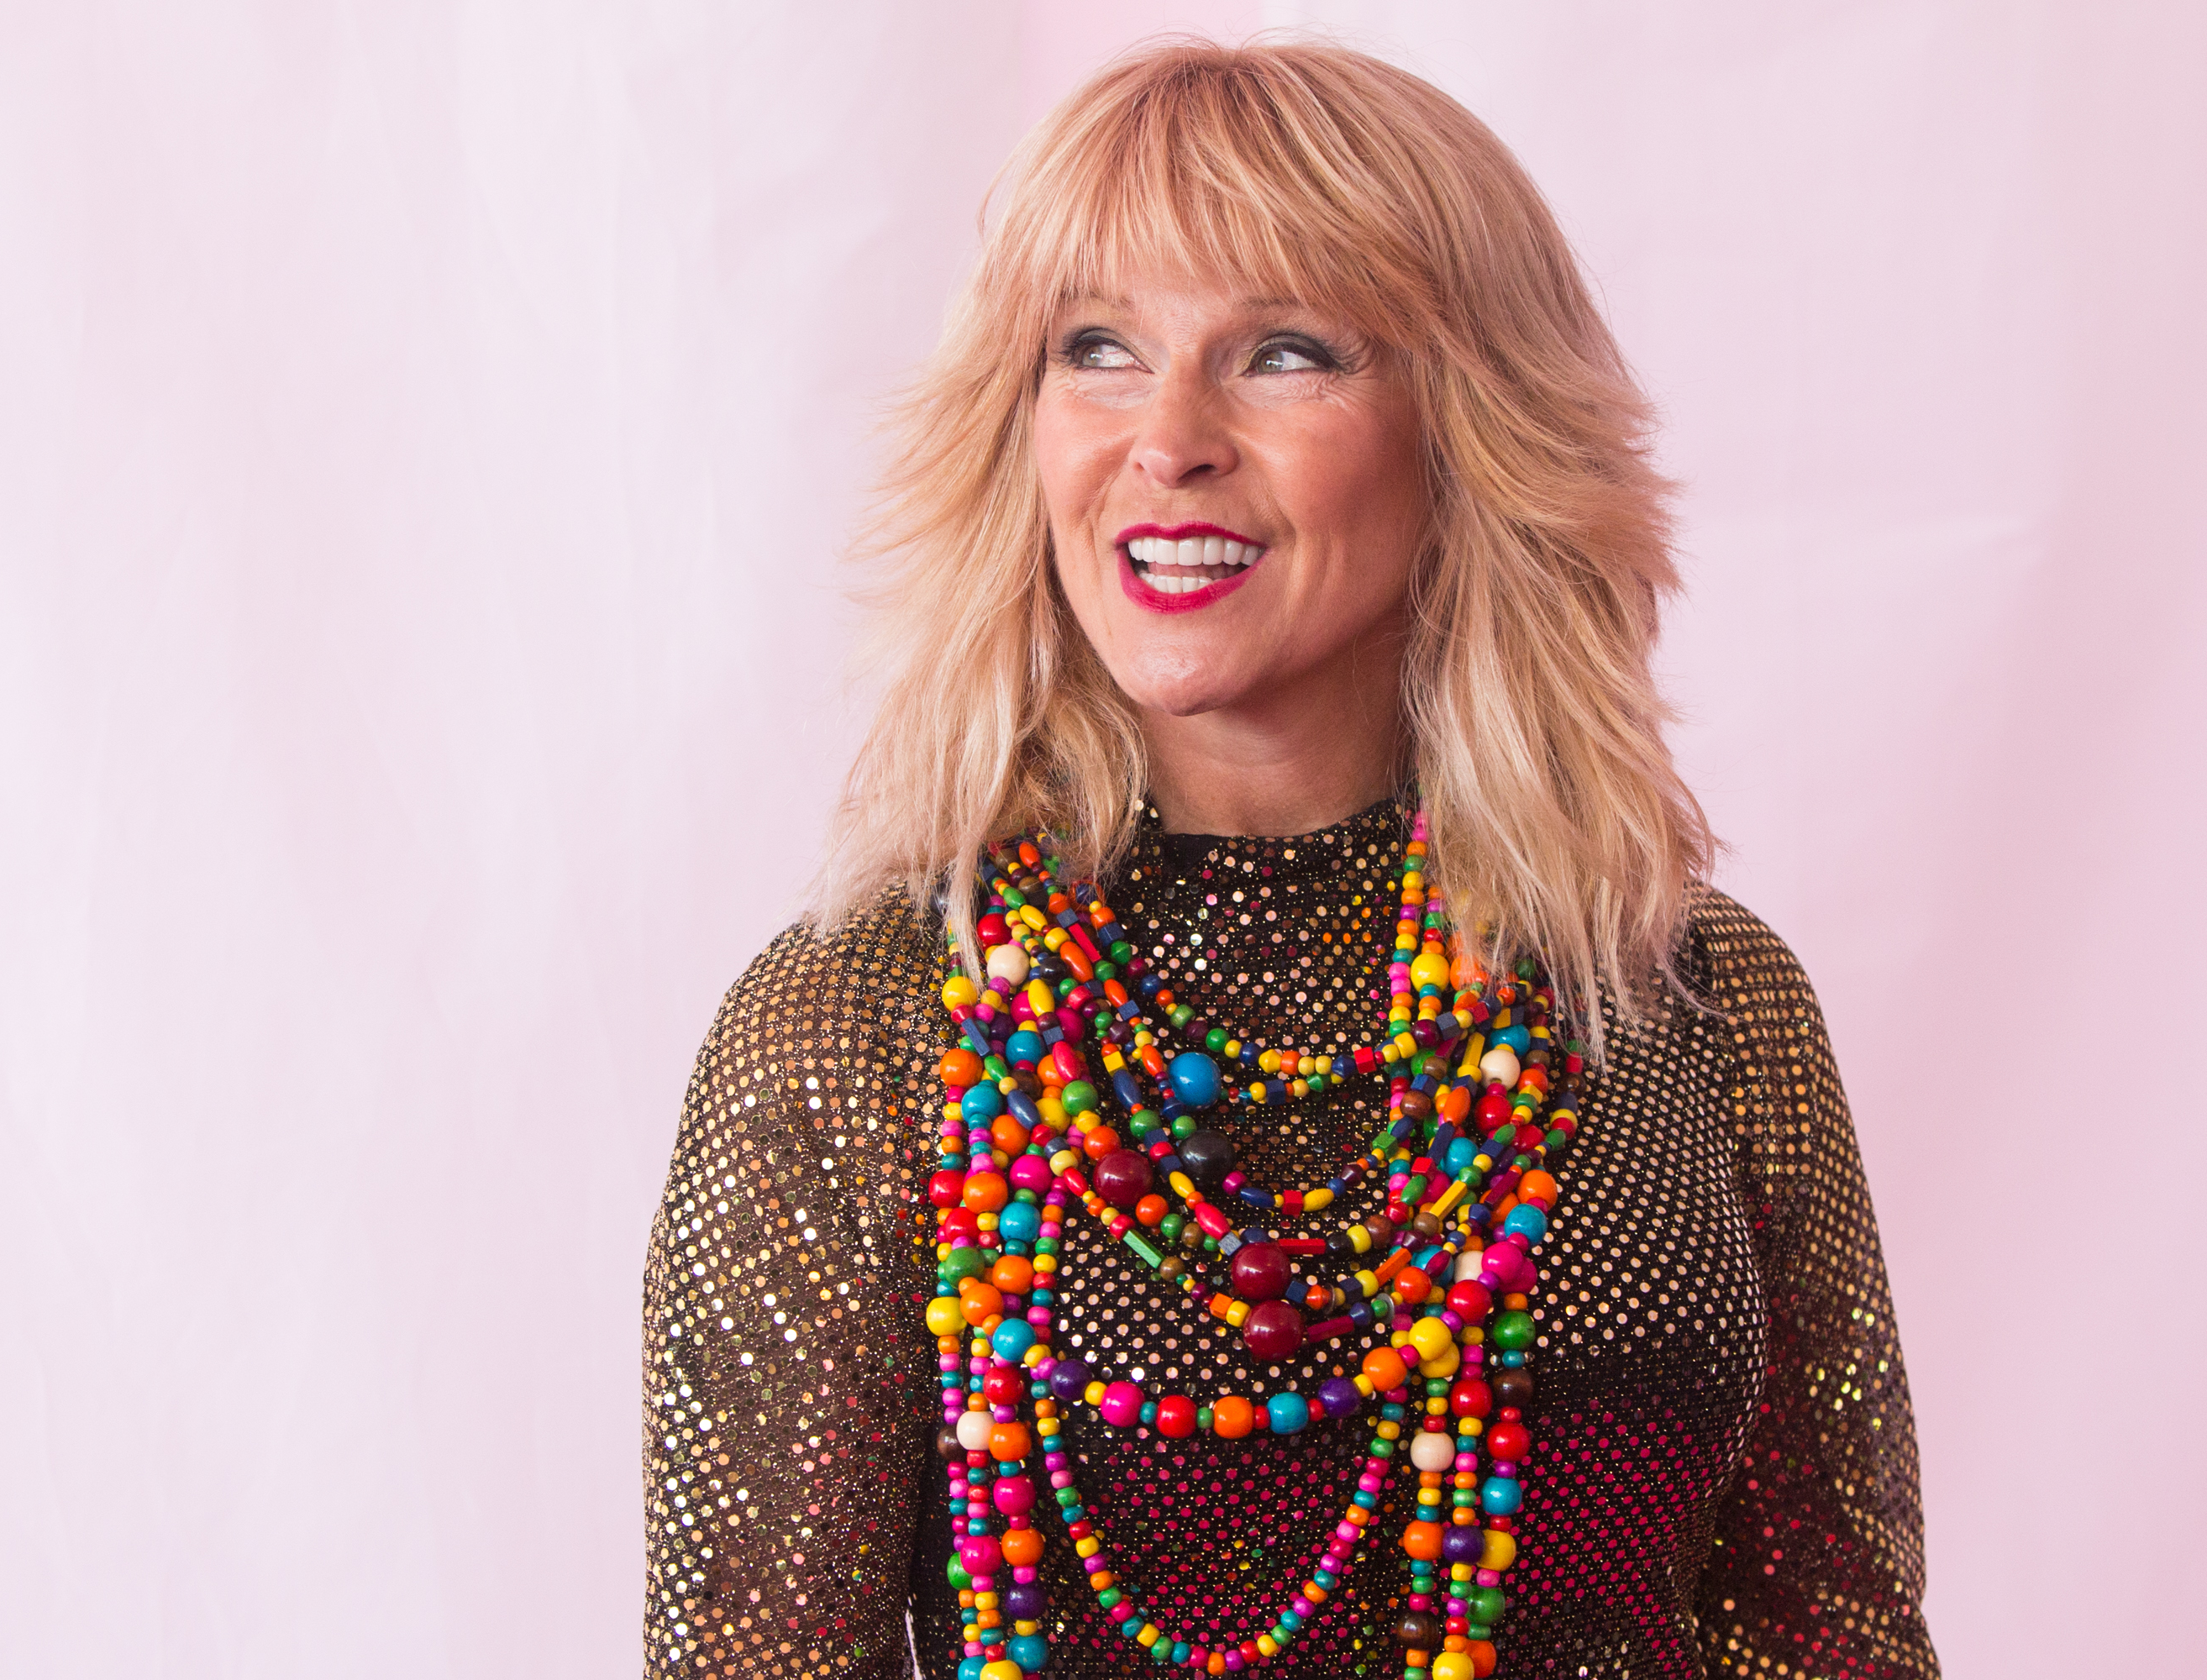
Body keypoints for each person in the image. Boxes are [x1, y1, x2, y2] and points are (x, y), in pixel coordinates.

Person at [641, 39, 1936, 1680]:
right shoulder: (868, 1025)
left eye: (1285, 353)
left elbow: (1832, 1635)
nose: (1168, 437)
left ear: (1470, 425)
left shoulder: (1696, 1001)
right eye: (1097, 349)